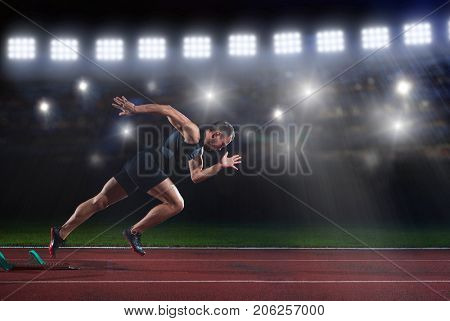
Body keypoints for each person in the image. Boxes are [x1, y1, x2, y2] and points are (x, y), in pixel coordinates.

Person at [49, 96, 241, 257]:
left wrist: (219, 166)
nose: (223, 148)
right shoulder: (192, 131)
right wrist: (135, 109)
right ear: (216, 134)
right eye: (224, 143)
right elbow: (167, 109)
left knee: (100, 201)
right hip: (149, 165)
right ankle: (134, 232)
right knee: (177, 204)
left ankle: (61, 232)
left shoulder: (198, 151)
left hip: (140, 165)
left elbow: (196, 176)